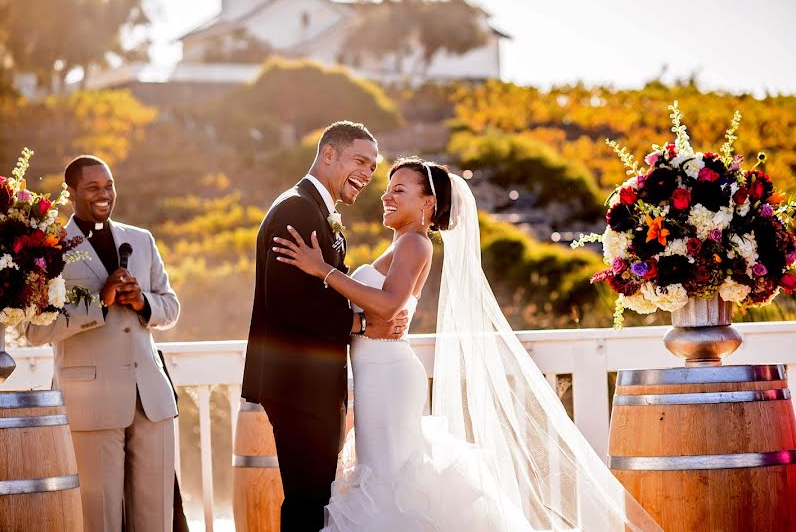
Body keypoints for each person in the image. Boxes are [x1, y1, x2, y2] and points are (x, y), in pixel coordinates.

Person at [273, 157, 663, 531]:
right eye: (388, 190)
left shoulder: (415, 244)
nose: (387, 197)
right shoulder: (401, 245)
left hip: (387, 379)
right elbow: (378, 313)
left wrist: (321, 270)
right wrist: (358, 321)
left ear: (428, 202)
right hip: (379, 374)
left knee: (390, 483)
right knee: (385, 479)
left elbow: (390, 304)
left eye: (400, 190)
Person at [242, 121, 409, 531]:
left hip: (310, 384)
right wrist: (360, 322)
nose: (369, 174)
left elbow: (317, 291)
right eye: (360, 161)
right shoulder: (297, 209)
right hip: (299, 384)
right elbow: (284, 304)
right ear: (328, 154)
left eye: (373, 166)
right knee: (307, 502)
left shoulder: (318, 210)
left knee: (316, 499)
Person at [25, 155, 180, 532]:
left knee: (156, 517)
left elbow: (171, 307)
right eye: (93, 187)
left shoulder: (141, 240)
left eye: (109, 185)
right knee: (100, 518)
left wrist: (143, 302)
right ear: (71, 193)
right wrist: (100, 302)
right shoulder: (50, 248)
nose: (104, 194)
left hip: (151, 401)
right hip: (90, 403)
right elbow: (34, 330)